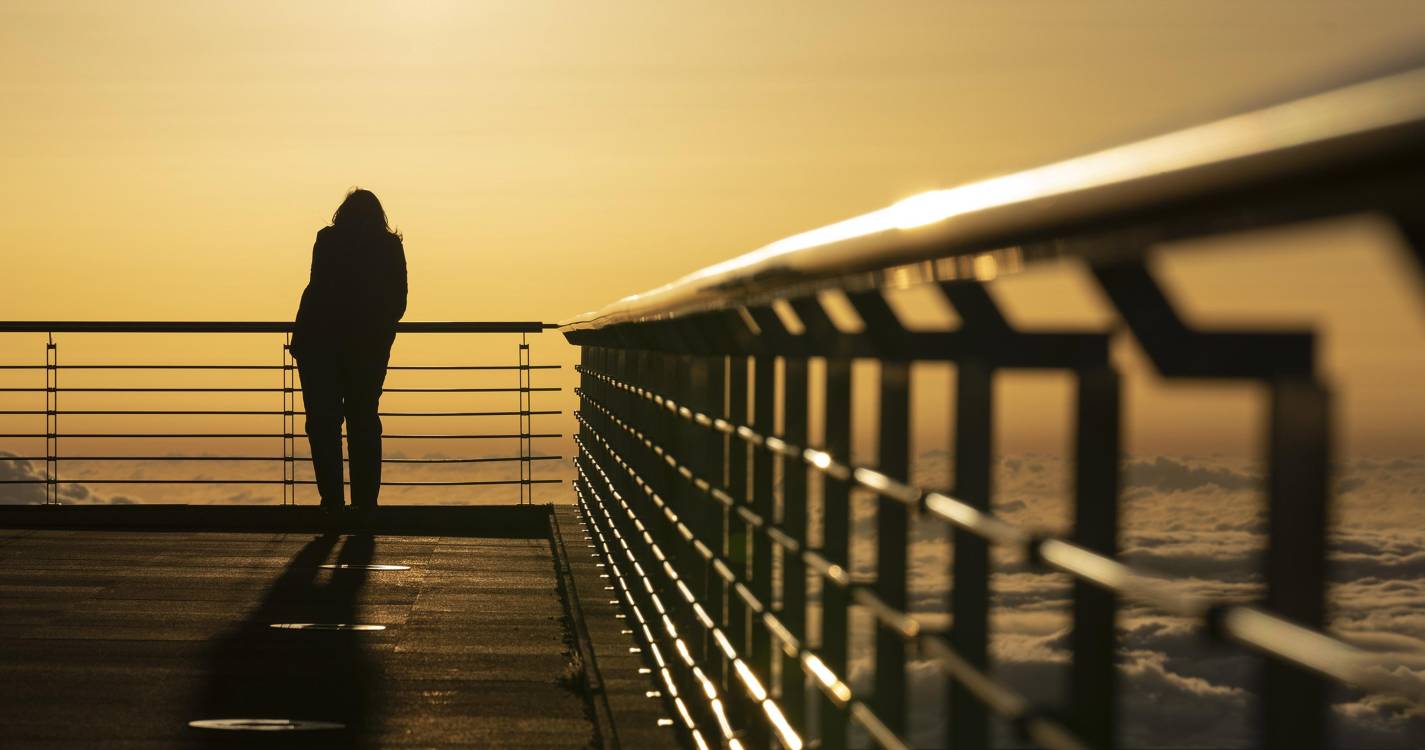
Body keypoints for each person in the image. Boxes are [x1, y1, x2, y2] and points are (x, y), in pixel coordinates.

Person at [291, 188, 407, 517]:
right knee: (363, 421)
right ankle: (365, 504)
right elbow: (398, 302)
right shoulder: (389, 246)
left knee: (323, 424)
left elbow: (318, 290)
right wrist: (375, 329)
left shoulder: (327, 240)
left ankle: (332, 502)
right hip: (366, 349)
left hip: (319, 345)